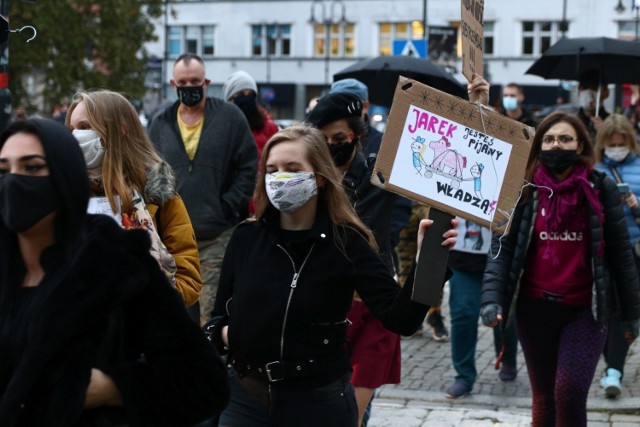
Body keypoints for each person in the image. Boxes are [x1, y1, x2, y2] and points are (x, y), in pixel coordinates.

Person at [207, 125, 458, 427]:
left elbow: (401, 319)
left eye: (292, 168)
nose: (280, 178)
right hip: (245, 398)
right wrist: (229, 334)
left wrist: (427, 261)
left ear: (320, 178)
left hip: (317, 401)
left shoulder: (347, 243)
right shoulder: (246, 237)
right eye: (271, 170)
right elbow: (219, 317)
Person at [0, 118, 230, 426]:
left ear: (66, 176)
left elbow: (203, 382)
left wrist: (111, 388)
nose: (14, 181)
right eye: (4, 170)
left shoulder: (115, 262)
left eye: (32, 168)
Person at [480, 111, 640, 426]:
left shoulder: (600, 186)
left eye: (565, 139)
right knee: (543, 398)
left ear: (580, 145)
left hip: (585, 311)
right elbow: (503, 248)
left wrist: (633, 315)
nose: (556, 146)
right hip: (534, 309)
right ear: (539, 144)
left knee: (568, 392)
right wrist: (491, 298)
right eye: (550, 139)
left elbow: (621, 253)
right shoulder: (524, 189)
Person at [306, 91, 399, 427]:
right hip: (325, 302)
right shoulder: (309, 179)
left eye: (340, 137)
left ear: (356, 136)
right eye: (324, 139)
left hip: (372, 301)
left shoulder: (382, 172)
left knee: (353, 413)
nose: (332, 145)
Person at [66, 90, 202, 309]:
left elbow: (190, 279)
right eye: (72, 129)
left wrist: (152, 305)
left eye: (84, 127)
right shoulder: (62, 194)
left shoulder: (158, 195)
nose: (75, 136)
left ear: (119, 130)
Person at [148, 53, 258, 325]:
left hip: (216, 234)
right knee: (175, 313)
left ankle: (212, 365)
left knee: (208, 312)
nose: (189, 87)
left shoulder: (230, 117)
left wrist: (227, 205)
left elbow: (248, 165)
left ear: (206, 81)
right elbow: (148, 171)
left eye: (195, 81)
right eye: (183, 82)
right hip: (172, 239)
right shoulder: (160, 123)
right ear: (174, 84)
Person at [444, 219, 520, 399]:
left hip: (499, 257)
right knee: (462, 314)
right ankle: (464, 376)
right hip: (461, 260)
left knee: (502, 316)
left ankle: (508, 357)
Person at [594, 114, 640, 398]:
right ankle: (608, 362)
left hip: (633, 251)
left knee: (625, 311)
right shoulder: (595, 169)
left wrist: (636, 205)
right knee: (602, 310)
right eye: (611, 145)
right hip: (601, 250)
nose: (616, 149)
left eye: (621, 144)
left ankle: (614, 371)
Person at [223, 70, 279, 160]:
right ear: (230, 99)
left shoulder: (270, 128)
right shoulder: (221, 129)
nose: (246, 98)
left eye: (250, 94)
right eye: (241, 94)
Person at [576, 70, 610, 145]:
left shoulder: (613, 123)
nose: (589, 93)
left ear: (606, 93)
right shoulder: (572, 122)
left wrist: (605, 132)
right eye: (584, 88)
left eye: (594, 88)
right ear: (578, 92)